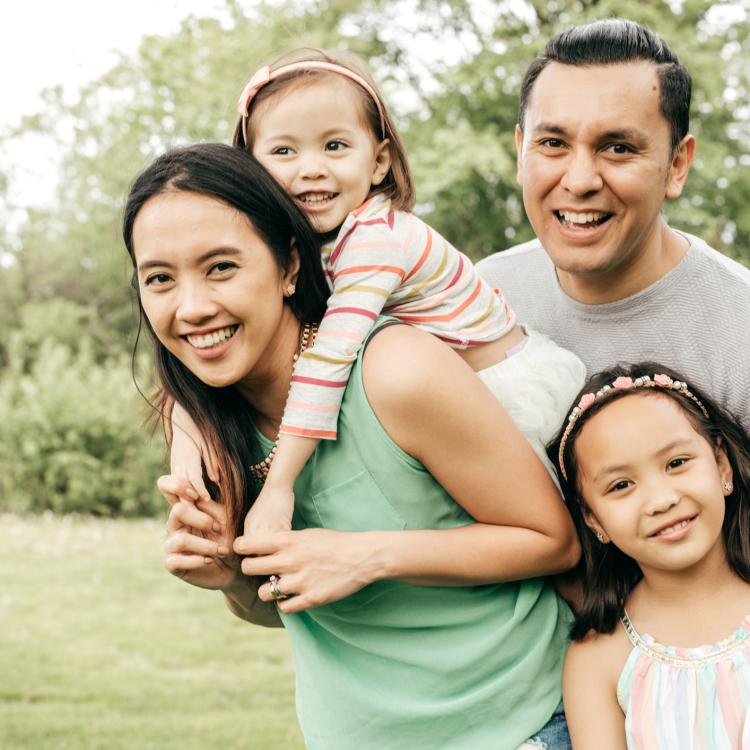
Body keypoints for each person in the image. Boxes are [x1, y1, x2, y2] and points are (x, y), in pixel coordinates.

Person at [123, 142, 580, 750]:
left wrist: (367, 556)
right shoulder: (210, 422)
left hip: (517, 728)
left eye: (221, 267)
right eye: (160, 279)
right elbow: (282, 606)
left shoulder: (394, 372)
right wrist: (230, 577)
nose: (193, 307)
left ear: (289, 266)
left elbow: (554, 541)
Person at [169, 48, 585, 534]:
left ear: (379, 162)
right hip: (433, 397)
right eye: (284, 151)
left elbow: (330, 356)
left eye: (335, 146)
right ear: (250, 170)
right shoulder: (306, 246)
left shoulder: (375, 240)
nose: (311, 169)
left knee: (557, 543)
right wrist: (186, 431)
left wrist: (279, 485)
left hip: (502, 394)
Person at [476, 18, 750, 434]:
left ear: (677, 165)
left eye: (618, 148)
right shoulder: (481, 299)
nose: (580, 180)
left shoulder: (739, 328)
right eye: (553, 144)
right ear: (520, 152)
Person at [549, 362, 750, 748]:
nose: (660, 500)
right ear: (593, 519)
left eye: (676, 463)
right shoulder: (598, 659)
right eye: (621, 485)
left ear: (721, 463)